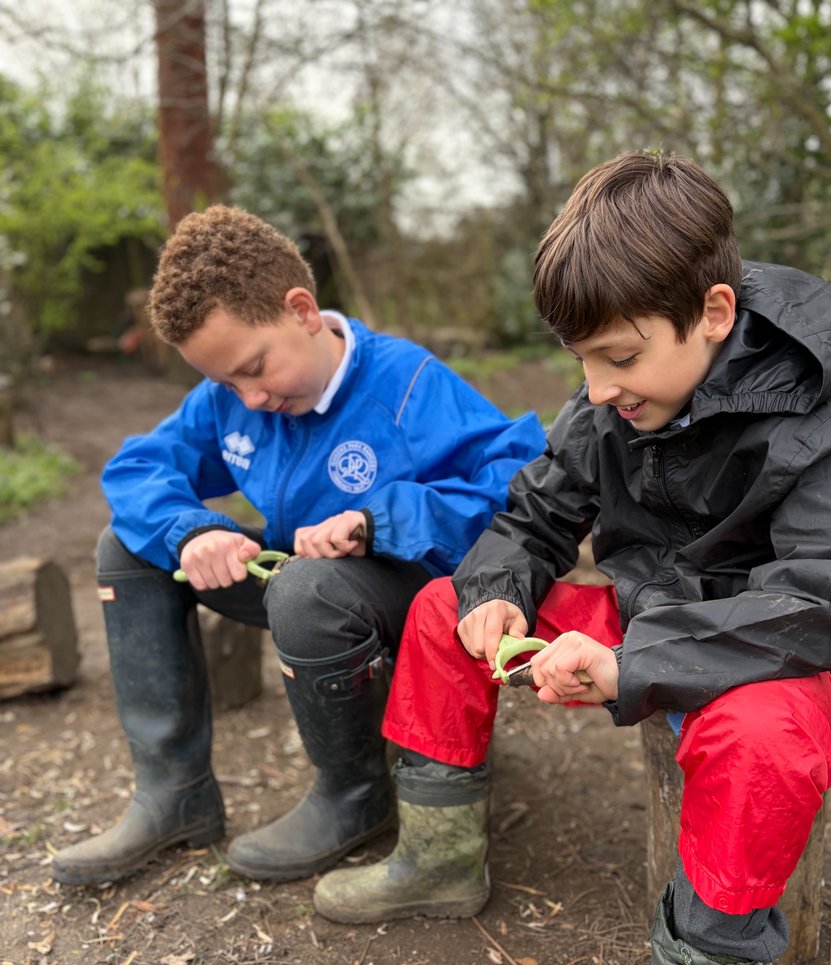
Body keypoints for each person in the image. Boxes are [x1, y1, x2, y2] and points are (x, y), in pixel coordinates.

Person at [309, 153, 831, 965]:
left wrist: (635, 665)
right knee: (446, 610)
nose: (595, 389)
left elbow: (826, 608)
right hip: (640, 623)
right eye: (582, 361)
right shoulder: (615, 394)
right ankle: (441, 859)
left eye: (618, 358)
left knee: (761, 742)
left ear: (712, 311)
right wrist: (500, 586)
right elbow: (533, 514)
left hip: (779, 655)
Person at [50, 205, 546, 889]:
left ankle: (355, 793)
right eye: (226, 383)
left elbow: (518, 484)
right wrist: (192, 531)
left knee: (306, 588)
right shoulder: (234, 398)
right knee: (128, 548)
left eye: (255, 369)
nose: (248, 399)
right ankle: (175, 794)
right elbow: (139, 467)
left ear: (303, 310)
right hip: (299, 583)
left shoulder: (406, 386)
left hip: (412, 599)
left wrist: (381, 518)